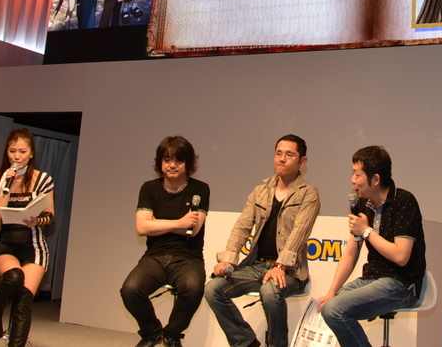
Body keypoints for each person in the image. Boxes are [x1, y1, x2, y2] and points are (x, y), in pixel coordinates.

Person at [205, 135, 321, 347]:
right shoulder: (260, 191)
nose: (282, 159)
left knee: (269, 291)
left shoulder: (309, 194)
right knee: (213, 289)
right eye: (278, 153)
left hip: (291, 271)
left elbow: (299, 234)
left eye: (289, 154)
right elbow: (242, 227)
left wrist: (280, 266)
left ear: (302, 161)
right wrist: (228, 259)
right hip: (257, 266)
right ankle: (247, 342)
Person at [318, 146, 426, 347]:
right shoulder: (363, 204)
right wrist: (332, 291)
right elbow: (351, 252)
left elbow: (401, 256)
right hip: (370, 279)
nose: (352, 180)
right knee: (329, 307)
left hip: (400, 283)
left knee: (335, 310)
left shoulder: (404, 201)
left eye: (357, 175)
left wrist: (367, 231)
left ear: (375, 179)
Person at [120, 136, 210, 347]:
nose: (172, 165)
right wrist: (179, 223)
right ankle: (152, 333)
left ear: (187, 163)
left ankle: (172, 334)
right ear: (160, 162)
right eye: (167, 160)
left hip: (188, 257)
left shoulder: (200, 189)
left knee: (193, 289)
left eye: (178, 160)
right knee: (130, 290)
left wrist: (157, 224)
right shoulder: (149, 188)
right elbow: (142, 228)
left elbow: (192, 230)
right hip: (155, 256)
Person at [0, 128, 55, 347]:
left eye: (22, 152)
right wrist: (6, 188)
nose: (17, 156)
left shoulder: (42, 179)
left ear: (31, 153)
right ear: (6, 152)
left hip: (33, 245)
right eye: (12, 151)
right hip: (6, 243)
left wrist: (37, 220)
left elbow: (50, 214)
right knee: (14, 277)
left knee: (24, 300)